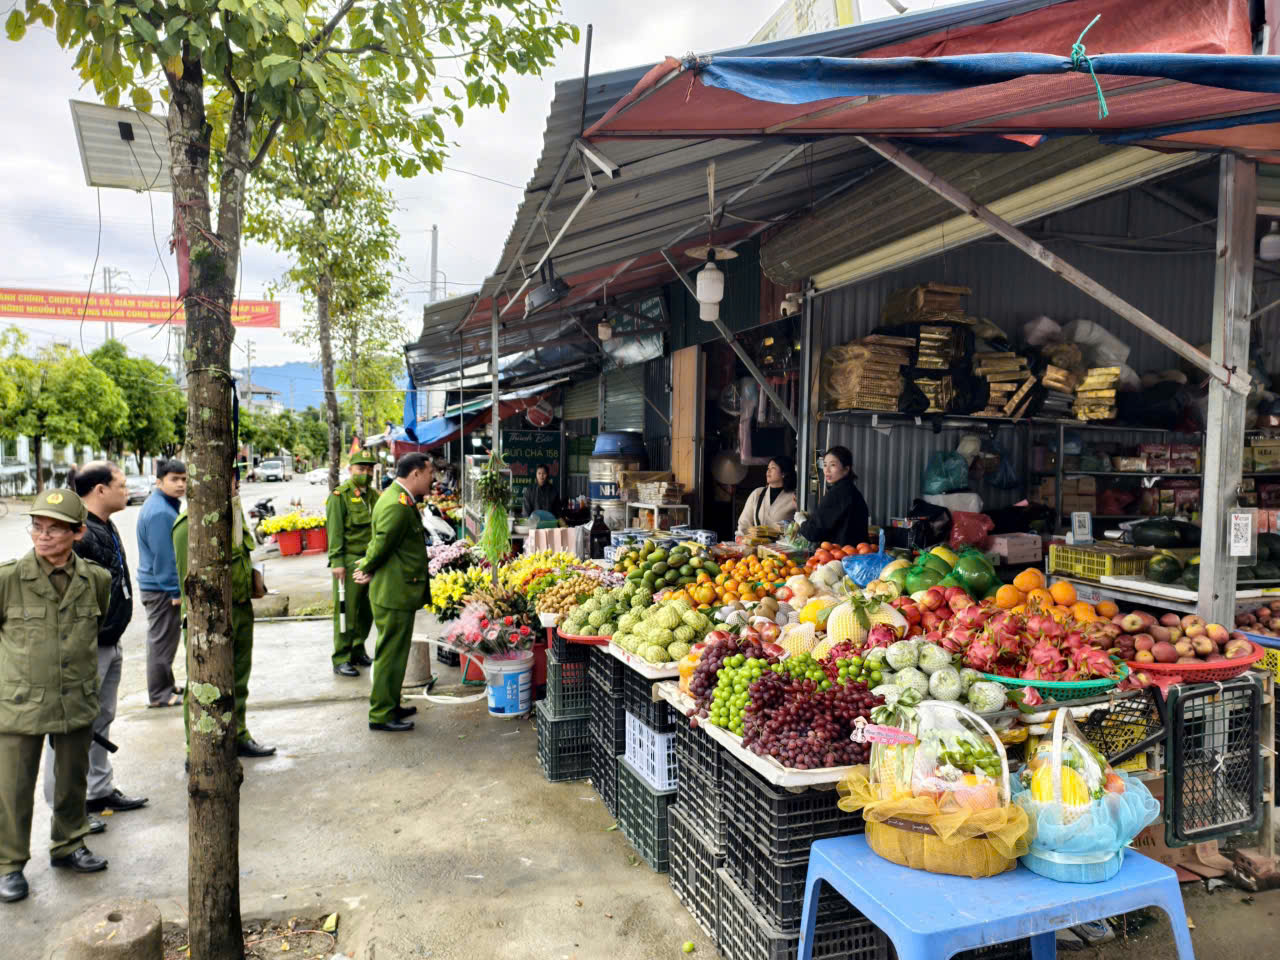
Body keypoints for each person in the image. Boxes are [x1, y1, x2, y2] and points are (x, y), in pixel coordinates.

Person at [0, 489, 112, 904]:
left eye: (54, 529)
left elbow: (92, 634)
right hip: (19, 704)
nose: (43, 536)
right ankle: (9, 865)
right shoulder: (8, 579)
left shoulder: (96, 580)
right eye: (37, 527)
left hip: (75, 699)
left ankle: (69, 845)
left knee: (71, 782)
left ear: (78, 532)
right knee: (12, 789)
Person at [43, 463, 147, 833]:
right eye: (121, 485)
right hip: (85, 648)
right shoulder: (79, 533)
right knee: (69, 729)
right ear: (100, 490)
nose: (127, 490)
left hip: (109, 641)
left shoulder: (103, 525)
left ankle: (99, 792)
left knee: (101, 722)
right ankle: (66, 810)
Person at [173, 471, 276, 759]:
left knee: (238, 680)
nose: (237, 487)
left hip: (241, 609)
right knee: (201, 685)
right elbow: (188, 582)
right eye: (231, 481)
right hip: (210, 619)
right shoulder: (189, 525)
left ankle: (238, 735)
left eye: (236, 481)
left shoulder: (233, 514)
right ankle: (197, 747)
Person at [354, 453, 434, 733]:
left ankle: (390, 703)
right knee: (390, 654)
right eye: (429, 473)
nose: (432, 478)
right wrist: (366, 565)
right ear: (415, 474)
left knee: (395, 654)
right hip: (394, 592)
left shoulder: (398, 499)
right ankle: (381, 713)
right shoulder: (396, 504)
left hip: (397, 590)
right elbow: (382, 543)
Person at [137, 459, 187, 708]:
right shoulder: (160, 511)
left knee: (165, 639)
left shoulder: (164, 505)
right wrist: (174, 590)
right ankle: (159, 694)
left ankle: (167, 684)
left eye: (184, 479)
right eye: (174, 479)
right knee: (161, 641)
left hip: (157, 585)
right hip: (160, 588)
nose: (180, 484)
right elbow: (165, 556)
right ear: (159, 481)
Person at [328, 454, 376, 677]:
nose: (365, 473)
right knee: (346, 611)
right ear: (350, 470)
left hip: (370, 561)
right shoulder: (340, 496)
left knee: (367, 611)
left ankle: (358, 649)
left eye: (369, 469)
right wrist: (337, 561)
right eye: (360, 468)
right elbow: (335, 531)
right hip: (348, 561)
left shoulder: (374, 496)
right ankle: (341, 657)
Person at [798, 445, 870, 548]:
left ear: (846, 469)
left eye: (832, 465)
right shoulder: (850, 490)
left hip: (840, 556)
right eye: (825, 464)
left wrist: (801, 522)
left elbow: (813, 533)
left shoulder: (838, 493)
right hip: (854, 555)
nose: (826, 470)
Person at [735, 455, 799, 538]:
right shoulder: (757, 493)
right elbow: (744, 522)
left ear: (783, 473)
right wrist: (741, 539)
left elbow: (799, 525)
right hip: (757, 546)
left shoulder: (793, 497)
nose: (768, 471)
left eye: (773, 468)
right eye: (768, 468)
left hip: (781, 549)